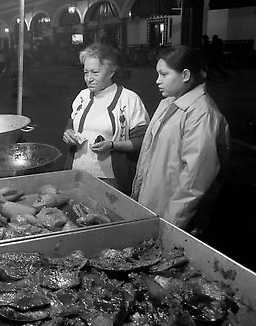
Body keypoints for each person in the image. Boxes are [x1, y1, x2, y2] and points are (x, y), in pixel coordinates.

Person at [131, 45, 230, 232]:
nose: (157, 81)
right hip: (152, 207)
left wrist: (170, 228)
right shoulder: (169, 103)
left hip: (173, 220)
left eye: (164, 74)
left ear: (185, 75)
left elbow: (194, 181)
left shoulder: (202, 115)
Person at [63, 43, 149, 195]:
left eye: (95, 72)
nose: (89, 78)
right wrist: (68, 132)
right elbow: (72, 122)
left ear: (111, 72)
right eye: (86, 73)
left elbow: (142, 140)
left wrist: (112, 145)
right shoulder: (82, 96)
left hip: (111, 181)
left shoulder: (129, 99)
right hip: (77, 173)